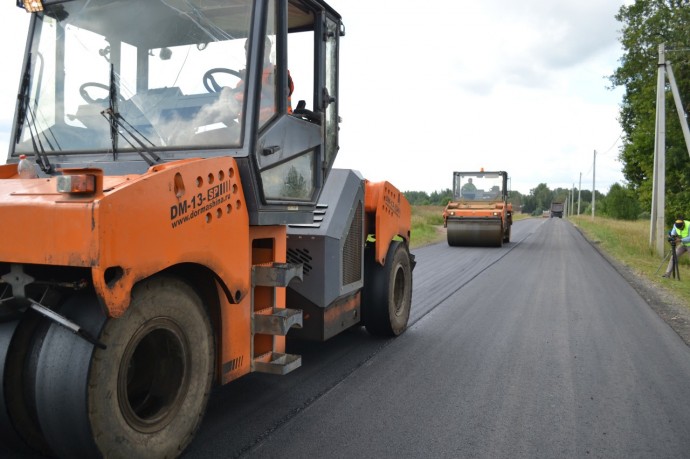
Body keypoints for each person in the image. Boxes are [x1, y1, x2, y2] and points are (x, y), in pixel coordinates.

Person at [235, 36, 294, 123]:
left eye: (259, 47)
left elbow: (281, 95)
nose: (251, 52)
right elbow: (236, 109)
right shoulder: (241, 83)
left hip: (277, 127)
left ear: (268, 50)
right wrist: (227, 96)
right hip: (248, 129)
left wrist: (252, 79)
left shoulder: (277, 72)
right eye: (248, 49)